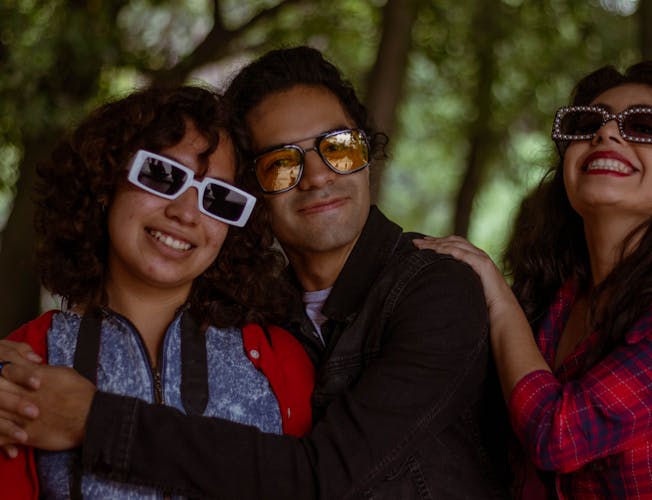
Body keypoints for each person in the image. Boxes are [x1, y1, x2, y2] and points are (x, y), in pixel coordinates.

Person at [0, 46, 508, 498]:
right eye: (282, 164)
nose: (316, 176)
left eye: (339, 147)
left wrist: (96, 420)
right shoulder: (270, 315)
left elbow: (320, 479)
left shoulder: (430, 293)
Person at [414, 60, 652, 498]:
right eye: (587, 123)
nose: (606, 134)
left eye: (646, 126)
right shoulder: (555, 295)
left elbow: (560, 436)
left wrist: (497, 298)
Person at [0, 85, 314, 498]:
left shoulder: (281, 362)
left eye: (217, 198)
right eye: (161, 175)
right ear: (104, 181)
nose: (185, 212)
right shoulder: (25, 360)